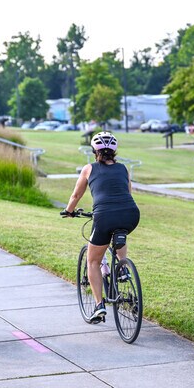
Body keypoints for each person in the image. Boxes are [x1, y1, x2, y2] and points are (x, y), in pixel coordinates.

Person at [63, 131, 140, 322]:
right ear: (114, 151)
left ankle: (99, 306)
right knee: (120, 232)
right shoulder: (123, 169)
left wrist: (69, 211)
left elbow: (75, 196)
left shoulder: (89, 169)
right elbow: (127, 192)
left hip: (104, 216)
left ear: (94, 151)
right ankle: (123, 268)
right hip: (131, 213)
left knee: (93, 261)